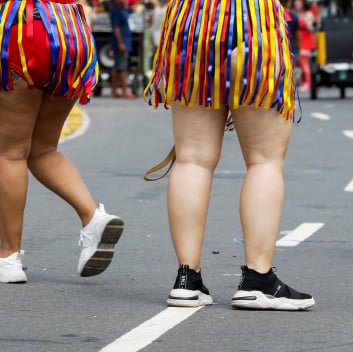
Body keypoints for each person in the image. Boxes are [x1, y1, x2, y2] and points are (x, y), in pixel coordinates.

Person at [144, 0, 314, 310]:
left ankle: (187, 279)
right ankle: (258, 280)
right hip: (253, 20)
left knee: (191, 158)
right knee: (264, 160)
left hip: (191, 20)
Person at [0, 0, 124, 284]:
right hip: (71, 31)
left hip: (22, 30)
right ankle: (92, 217)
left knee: (10, 153)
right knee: (42, 149)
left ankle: (8, 257)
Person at [110, 0, 136, 98]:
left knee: (117, 67)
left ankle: (114, 91)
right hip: (121, 42)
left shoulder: (124, 10)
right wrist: (120, 43)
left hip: (125, 41)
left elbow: (132, 10)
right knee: (122, 67)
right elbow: (115, 28)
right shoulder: (116, 11)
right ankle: (125, 91)